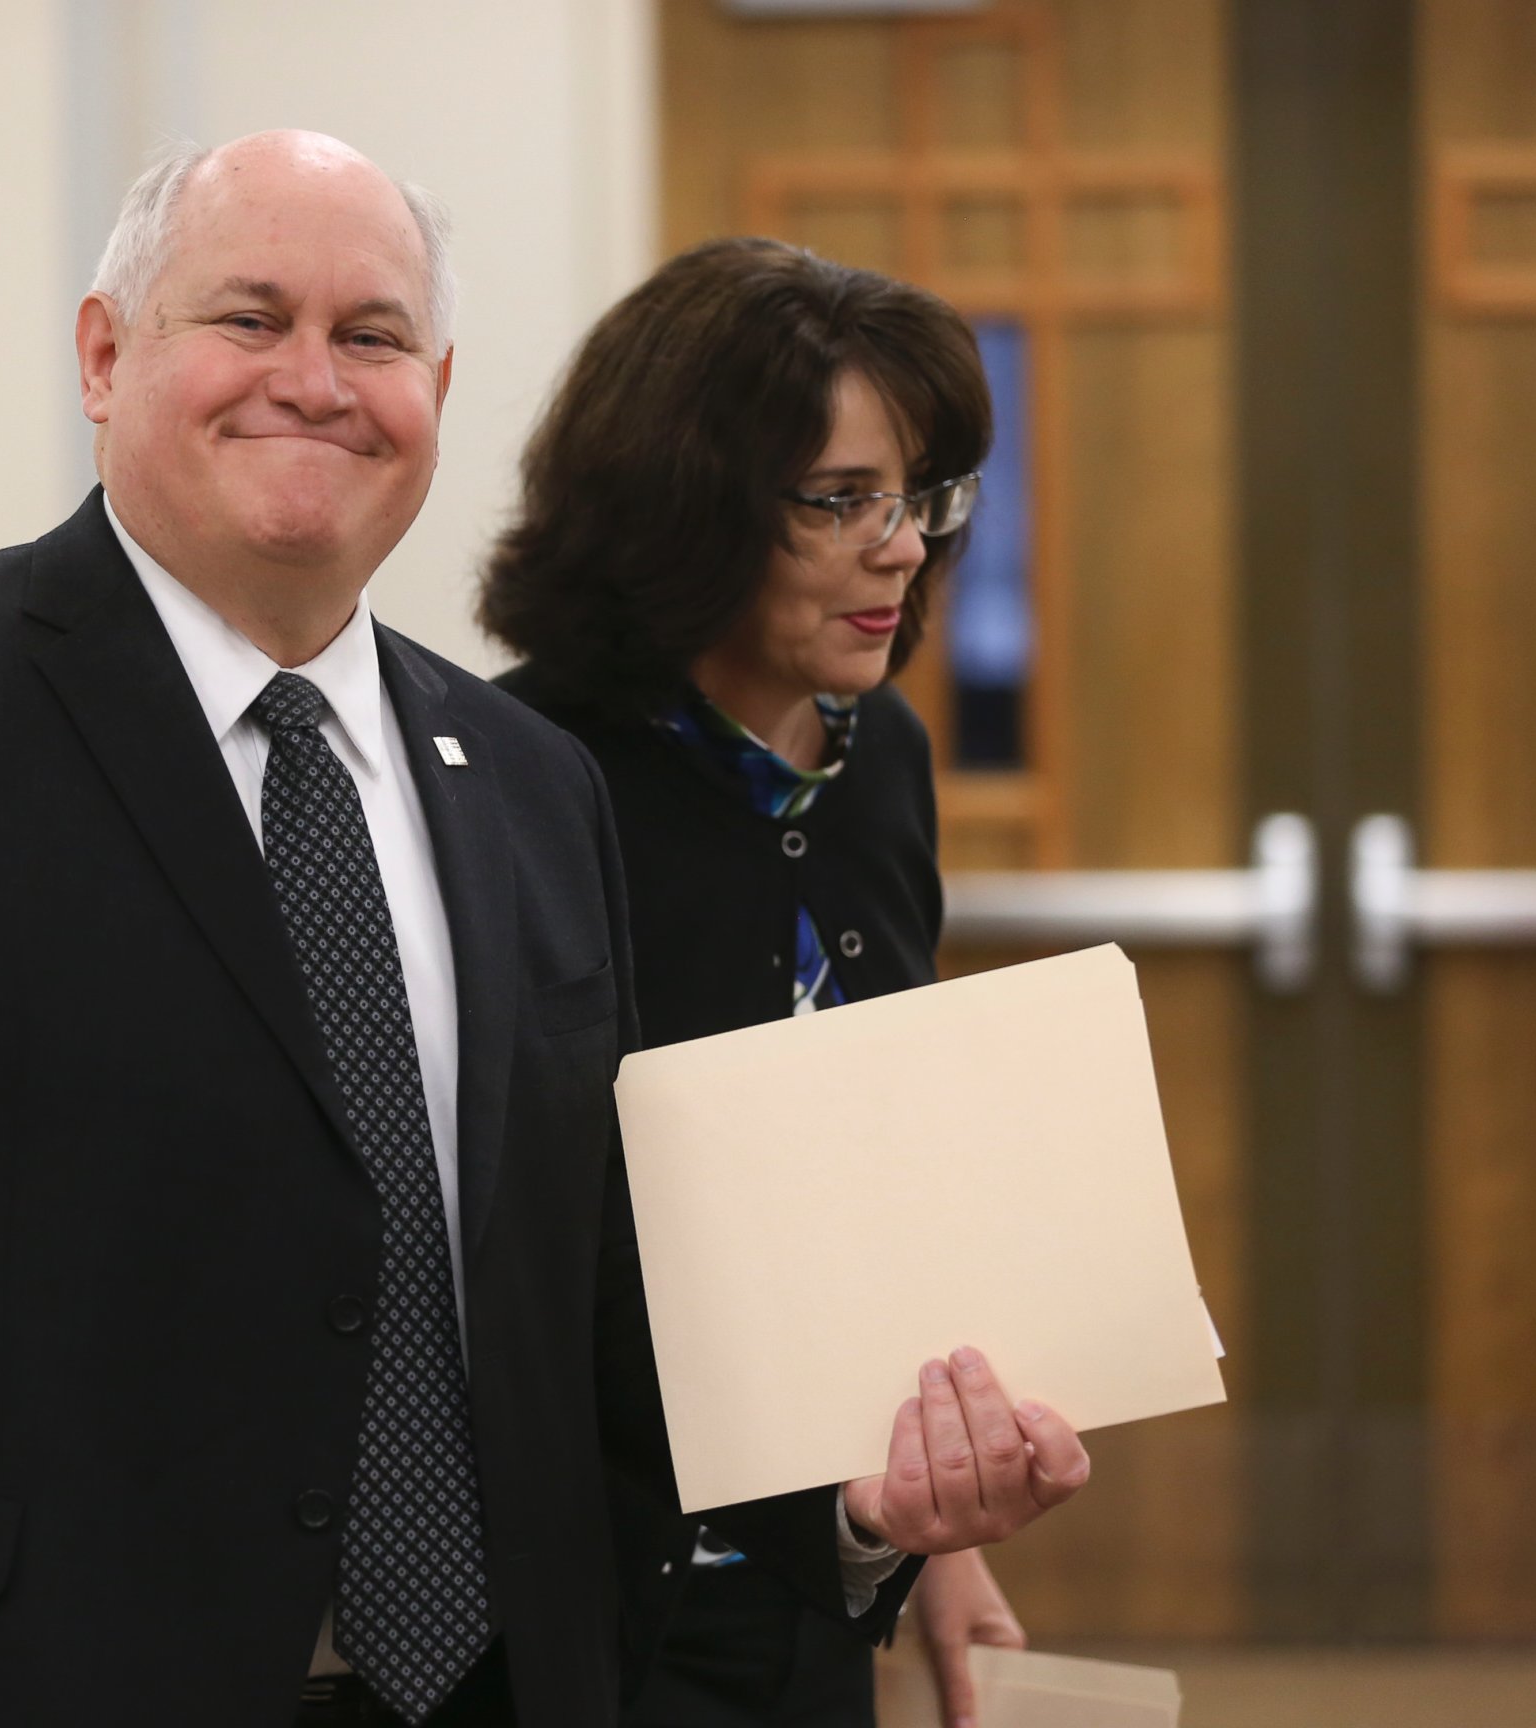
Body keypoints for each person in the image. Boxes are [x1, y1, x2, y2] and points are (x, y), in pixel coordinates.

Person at [0, 136, 1089, 1728]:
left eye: (371, 337)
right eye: (247, 319)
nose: (314, 379)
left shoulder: (526, 787)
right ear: (105, 355)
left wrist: (857, 1525)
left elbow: (584, 1327)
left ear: (436, 385)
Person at [483, 238, 1033, 1728]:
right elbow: (531, 1253)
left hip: (821, 1578)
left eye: (920, 495)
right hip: (586, 1601)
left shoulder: (882, 759)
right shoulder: (516, 780)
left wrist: (938, 1551)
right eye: (843, 500)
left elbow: (870, 1179)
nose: (904, 545)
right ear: (687, 513)